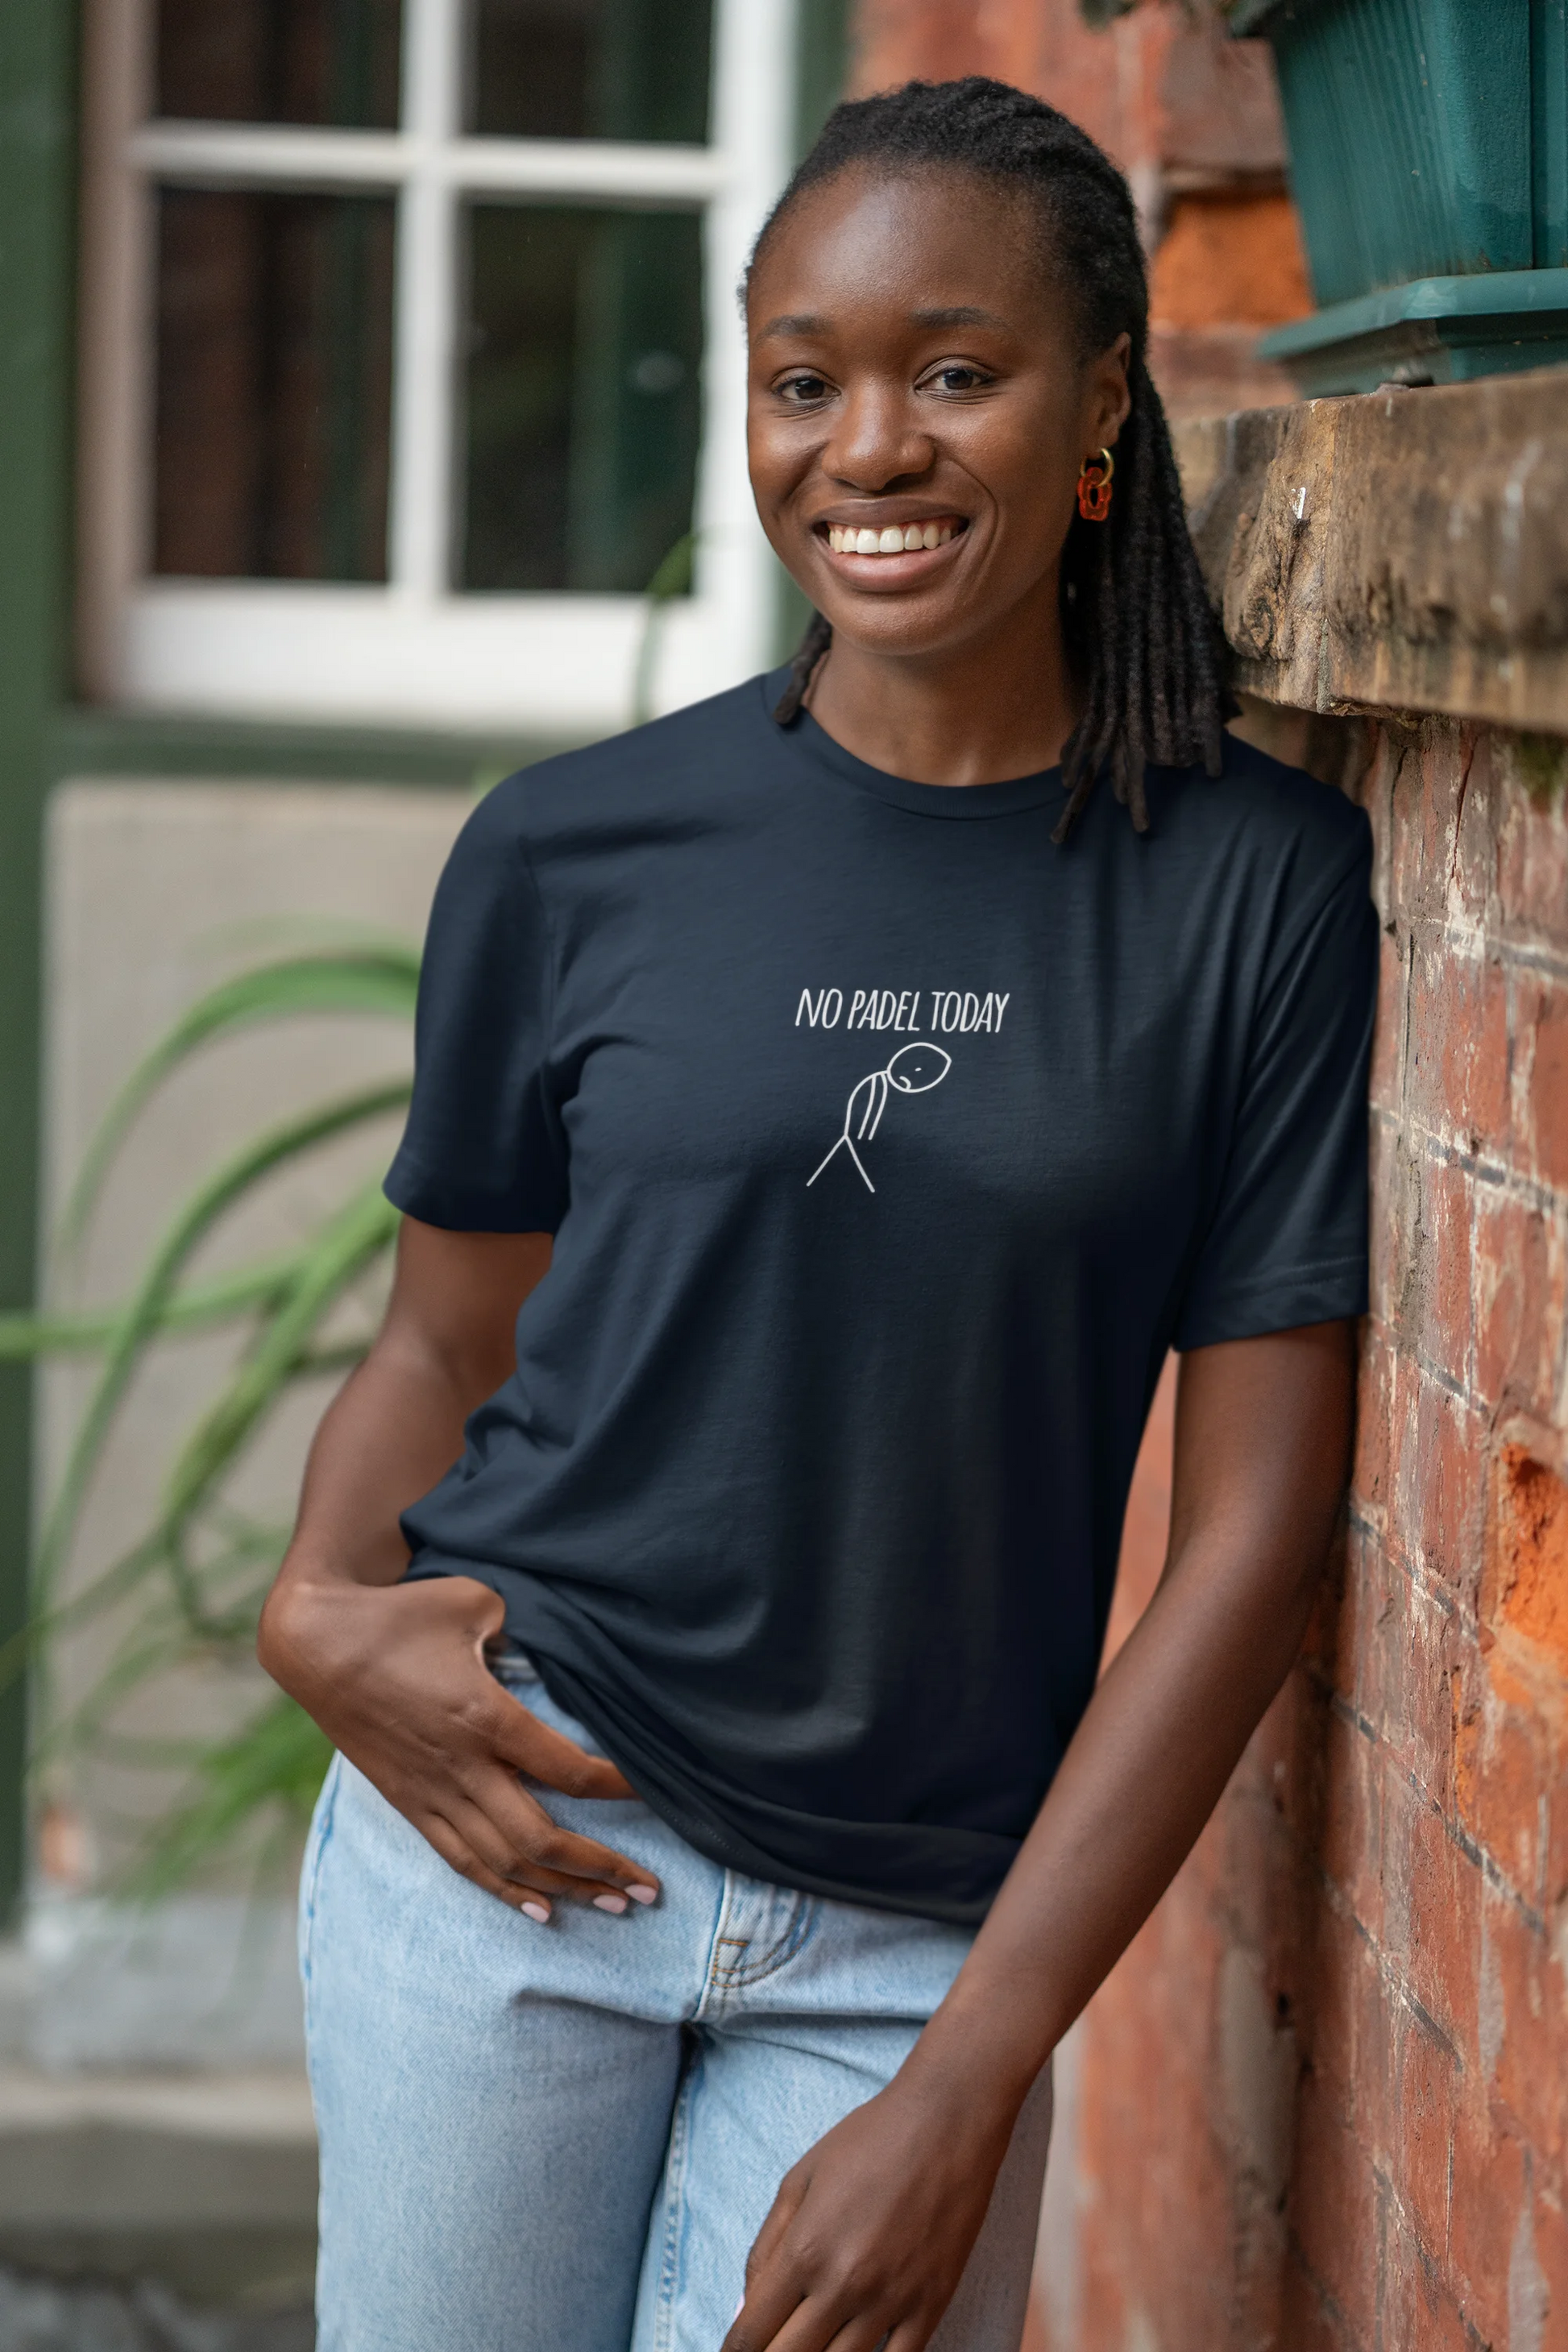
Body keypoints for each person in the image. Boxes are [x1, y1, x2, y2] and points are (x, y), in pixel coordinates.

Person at [258, 76, 1376, 2352]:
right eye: (807, 378)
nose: (867, 446)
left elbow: (1252, 1539)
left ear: (1095, 411)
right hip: (508, 1859)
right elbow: (445, 1345)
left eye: (952, 371)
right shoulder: (573, 850)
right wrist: (308, 1608)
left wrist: (976, 2067)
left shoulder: (1254, 888)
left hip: (912, 1953)